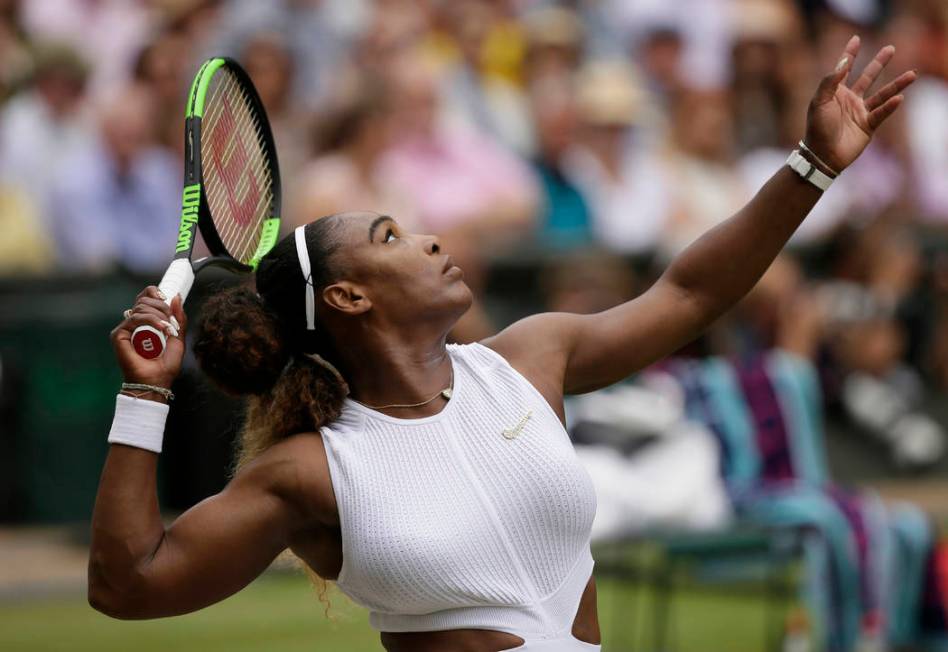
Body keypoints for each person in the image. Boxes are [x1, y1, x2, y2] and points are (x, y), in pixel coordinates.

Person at [88, 37, 915, 652]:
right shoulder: (310, 472)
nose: (429, 239)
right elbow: (127, 585)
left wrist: (811, 164)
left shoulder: (529, 360)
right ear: (348, 295)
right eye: (390, 235)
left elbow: (690, 292)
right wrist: (145, 395)